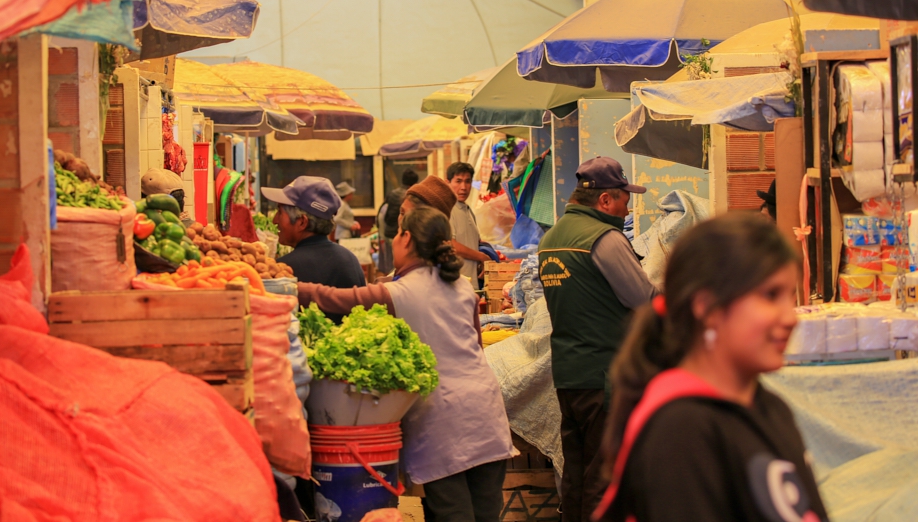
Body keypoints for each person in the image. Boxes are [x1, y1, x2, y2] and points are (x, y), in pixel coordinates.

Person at [594, 213, 826, 522]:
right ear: (707, 307)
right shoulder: (681, 429)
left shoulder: (770, 407)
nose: (790, 317)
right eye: (770, 295)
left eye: (791, 296)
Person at [297, 206, 517, 522]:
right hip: (487, 415)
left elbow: (331, 298)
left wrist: (284, 286)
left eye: (398, 232)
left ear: (407, 238)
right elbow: (476, 348)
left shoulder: (398, 292)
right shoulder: (463, 288)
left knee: (454, 515)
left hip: (443, 424)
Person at [538, 156, 657, 521]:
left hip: (570, 377)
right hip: (605, 378)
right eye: (623, 199)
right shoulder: (604, 238)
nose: (628, 207)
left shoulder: (551, 238)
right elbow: (644, 299)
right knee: (603, 479)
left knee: (576, 474)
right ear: (605, 201)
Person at [261, 176, 365, 292]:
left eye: (280, 212)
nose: (274, 220)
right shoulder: (350, 260)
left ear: (302, 222)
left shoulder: (285, 270)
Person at [446, 162, 491, 283]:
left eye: (467, 181)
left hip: (471, 284)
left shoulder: (468, 211)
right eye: (458, 181)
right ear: (448, 183)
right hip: (455, 285)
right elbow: (451, 245)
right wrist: (481, 257)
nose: (463, 187)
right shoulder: (448, 210)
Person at [377, 169, 419, 275]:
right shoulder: (413, 197)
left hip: (389, 233)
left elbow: (386, 216)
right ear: (415, 183)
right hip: (403, 236)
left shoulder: (392, 194)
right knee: (402, 268)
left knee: (390, 266)